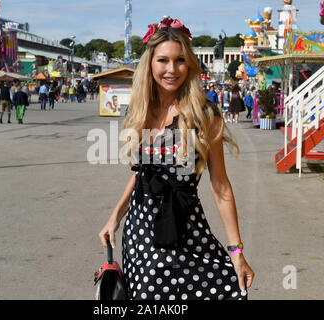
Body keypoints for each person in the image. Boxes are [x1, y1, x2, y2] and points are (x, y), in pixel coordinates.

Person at [98, 17, 254, 301]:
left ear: (191, 64)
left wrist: (236, 251)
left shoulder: (205, 114)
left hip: (185, 229)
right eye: (163, 60)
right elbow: (143, 175)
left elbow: (220, 187)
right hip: (139, 234)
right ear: (150, 64)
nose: (172, 69)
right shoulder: (138, 111)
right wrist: (115, 218)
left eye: (180, 60)